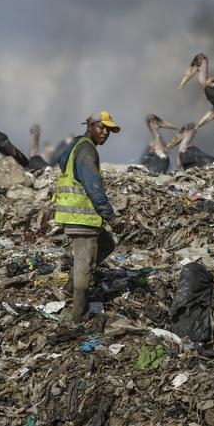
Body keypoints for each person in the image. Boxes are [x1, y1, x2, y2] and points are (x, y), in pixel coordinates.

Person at [53, 110, 121, 320]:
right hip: (82, 218)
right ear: (90, 126)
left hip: (74, 215)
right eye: (102, 128)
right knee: (86, 265)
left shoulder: (75, 144)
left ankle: (70, 288)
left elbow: (61, 161)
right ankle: (78, 314)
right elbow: (93, 187)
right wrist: (110, 216)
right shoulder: (87, 150)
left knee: (107, 244)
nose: (105, 133)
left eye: (108, 130)